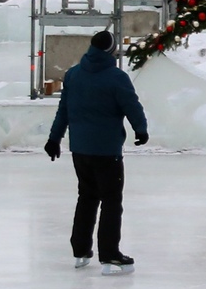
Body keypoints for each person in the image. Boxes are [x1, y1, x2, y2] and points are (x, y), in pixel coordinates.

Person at [44, 30, 149, 267]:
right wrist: (140, 129)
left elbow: (64, 111)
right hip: (107, 151)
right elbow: (132, 106)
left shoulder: (73, 75)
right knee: (111, 200)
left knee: (87, 197)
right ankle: (110, 253)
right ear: (111, 50)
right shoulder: (116, 77)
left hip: (80, 151)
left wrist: (54, 139)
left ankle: (80, 250)